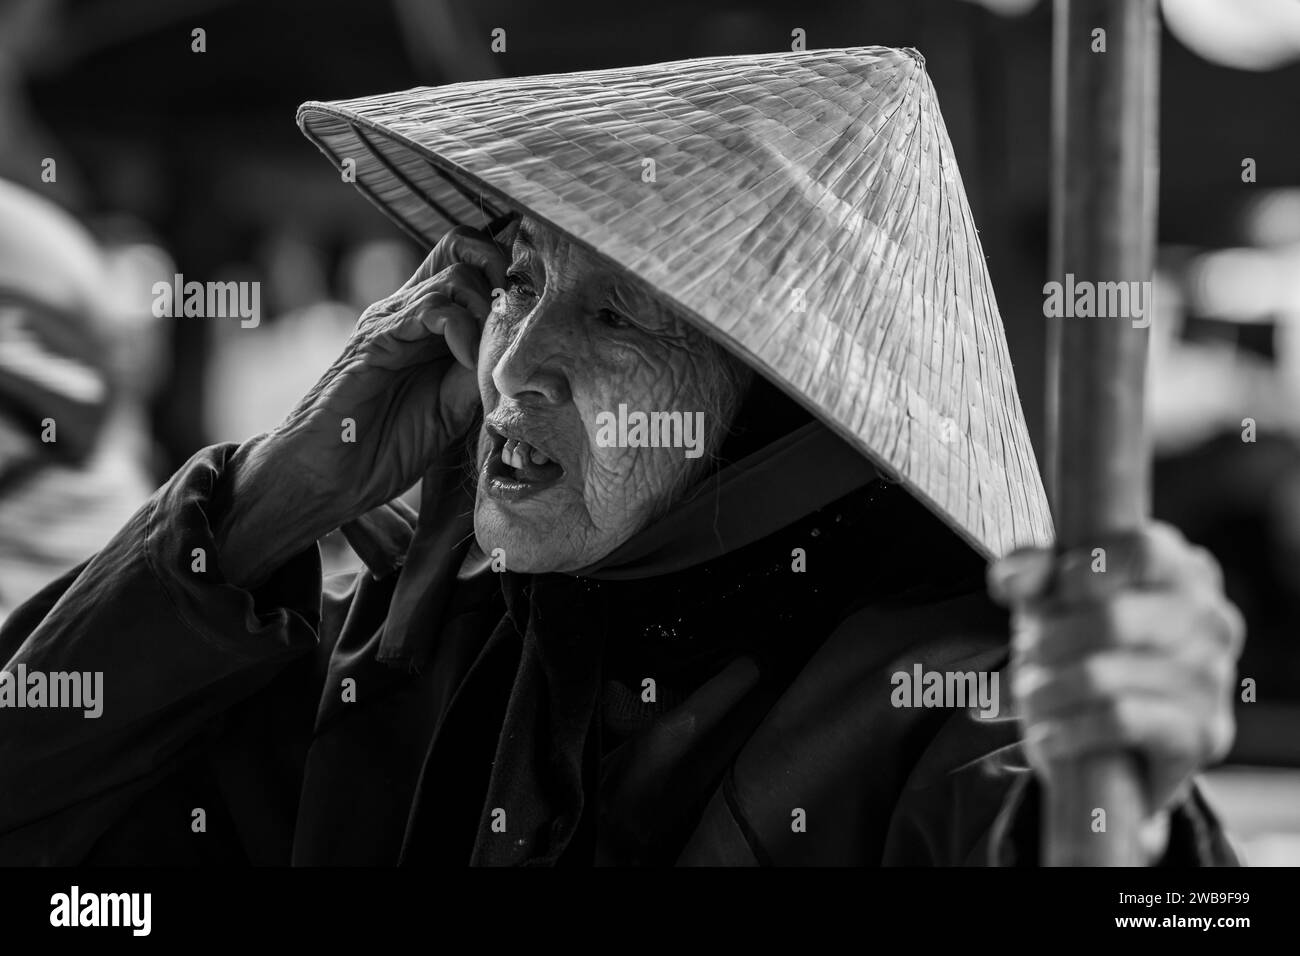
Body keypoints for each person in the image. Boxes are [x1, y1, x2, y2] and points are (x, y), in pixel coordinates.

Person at [0, 47, 1242, 865]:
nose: (514, 363)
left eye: (618, 313)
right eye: (520, 279)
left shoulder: (949, 713)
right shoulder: (414, 646)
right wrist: (266, 505)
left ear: (776, 407)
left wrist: (1133, 802)